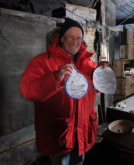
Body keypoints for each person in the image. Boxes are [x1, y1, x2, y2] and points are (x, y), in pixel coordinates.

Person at [20, 18, 110, 165]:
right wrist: (56, 77)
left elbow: (93, 90)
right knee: (61, 162)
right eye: (70, 36)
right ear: (61, 38)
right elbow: (28, 90)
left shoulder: (88, 63)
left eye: (78, 38)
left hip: (83, 128)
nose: (75, 41)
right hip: (60, 131)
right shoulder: (41, 61)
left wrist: (101, 73)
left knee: (79, 161)